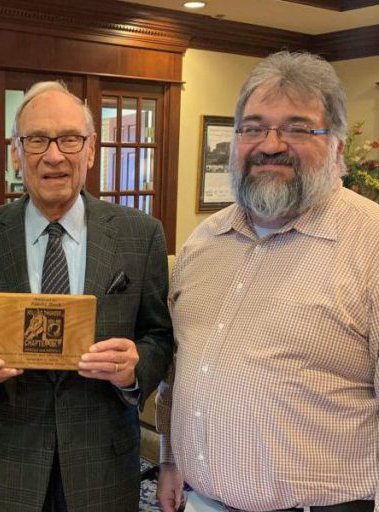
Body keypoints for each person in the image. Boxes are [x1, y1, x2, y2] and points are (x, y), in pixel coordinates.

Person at [157, 51, 378, 512]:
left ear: (337, 146)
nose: (271, 144)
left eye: (297, 128)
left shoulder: (371, 245)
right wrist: (171, 459)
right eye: (253, 127)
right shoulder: (204, 241)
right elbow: (181, 369)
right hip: (200, 500)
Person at [0, 81, 173, 512]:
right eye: (36, 140)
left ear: (90, 149)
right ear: (16, 152)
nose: (53, 155)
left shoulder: (140, 235)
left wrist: (135, 368)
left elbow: (158, 335)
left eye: (69, 139)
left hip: (99, 464)